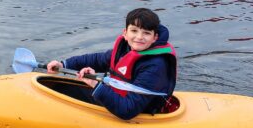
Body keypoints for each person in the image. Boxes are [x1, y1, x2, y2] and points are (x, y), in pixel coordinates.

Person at [46, 8, 177, 120]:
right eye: (134, 31)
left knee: (65, 92)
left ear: (155, 38)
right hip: (118, 97)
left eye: (146, 33)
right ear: (125, 33)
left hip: (137, 112)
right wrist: (64, 64)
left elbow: (128, 110)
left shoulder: (155, 66)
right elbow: (97, 59)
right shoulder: (125, 49)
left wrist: (95, 85)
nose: (139, 37)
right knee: (61, 87)